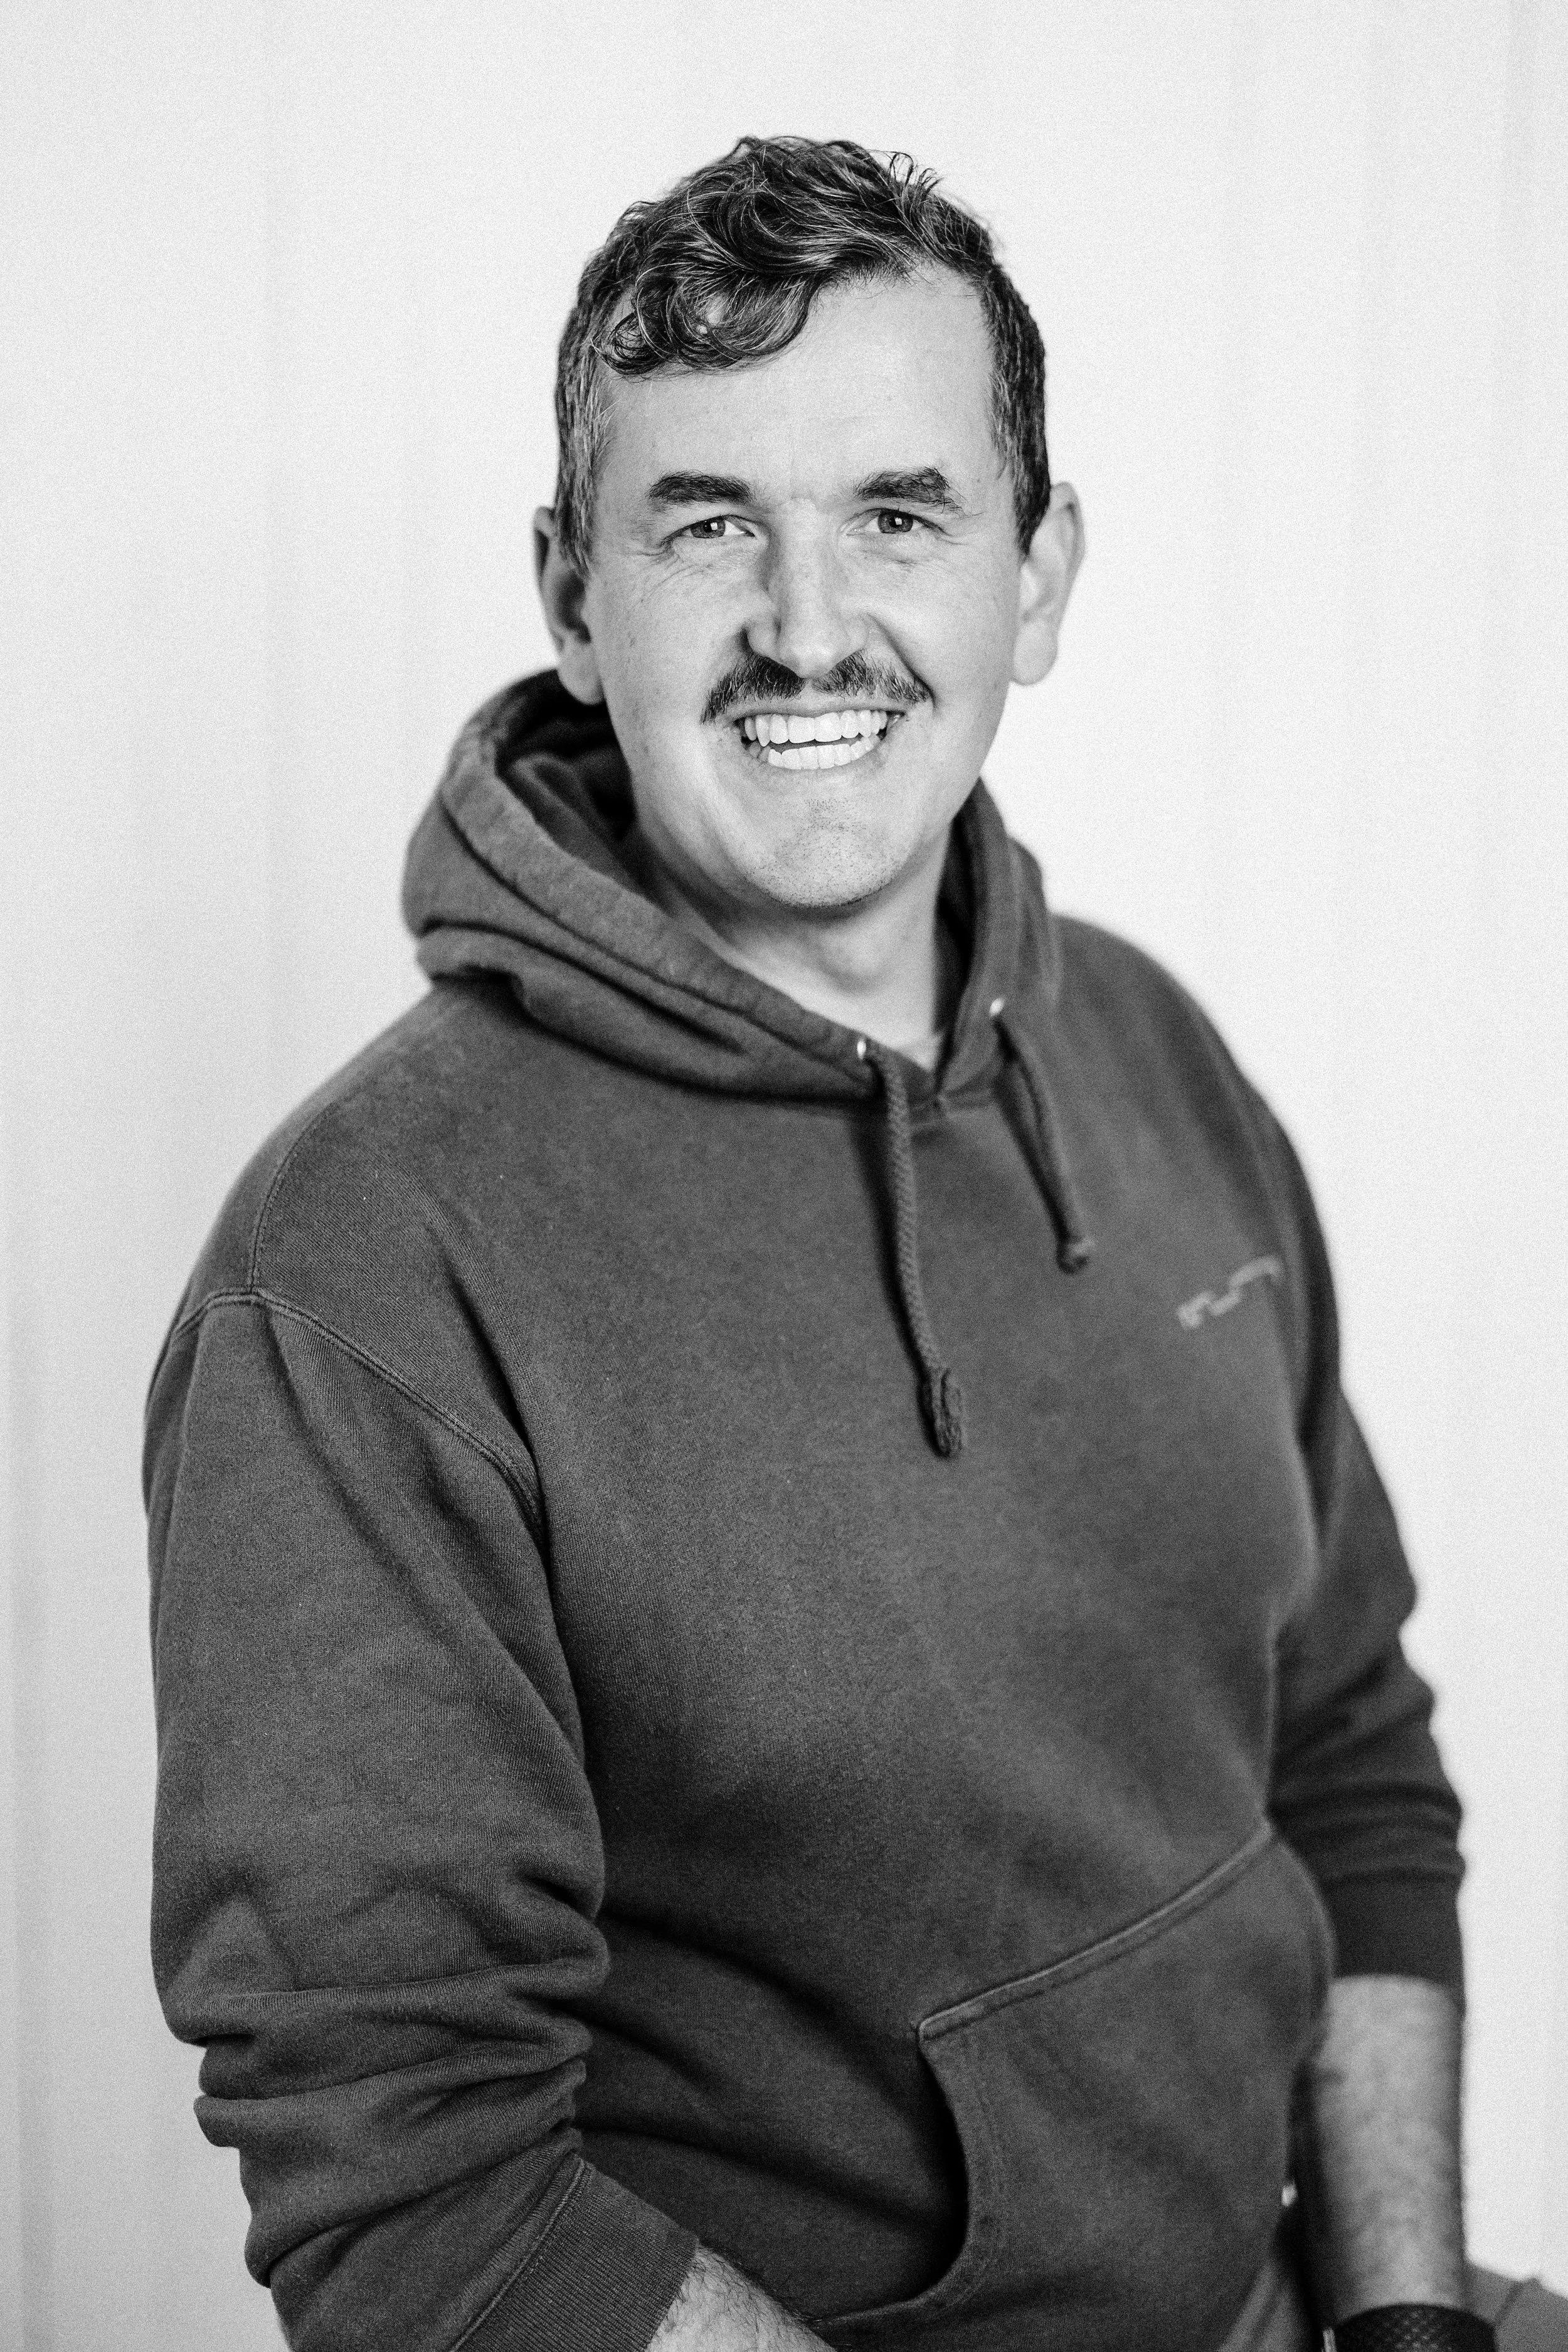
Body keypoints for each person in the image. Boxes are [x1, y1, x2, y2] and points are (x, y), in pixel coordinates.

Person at [144, 137, 1555, 2352]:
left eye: (899, 513)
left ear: (1039, 571)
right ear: (569, 591)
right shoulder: (358, 1275)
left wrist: (1406, 2322)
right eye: (708, 525)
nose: (808, 626)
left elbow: (1349, 1757)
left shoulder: (1155, 1059)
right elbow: (418, 2185)